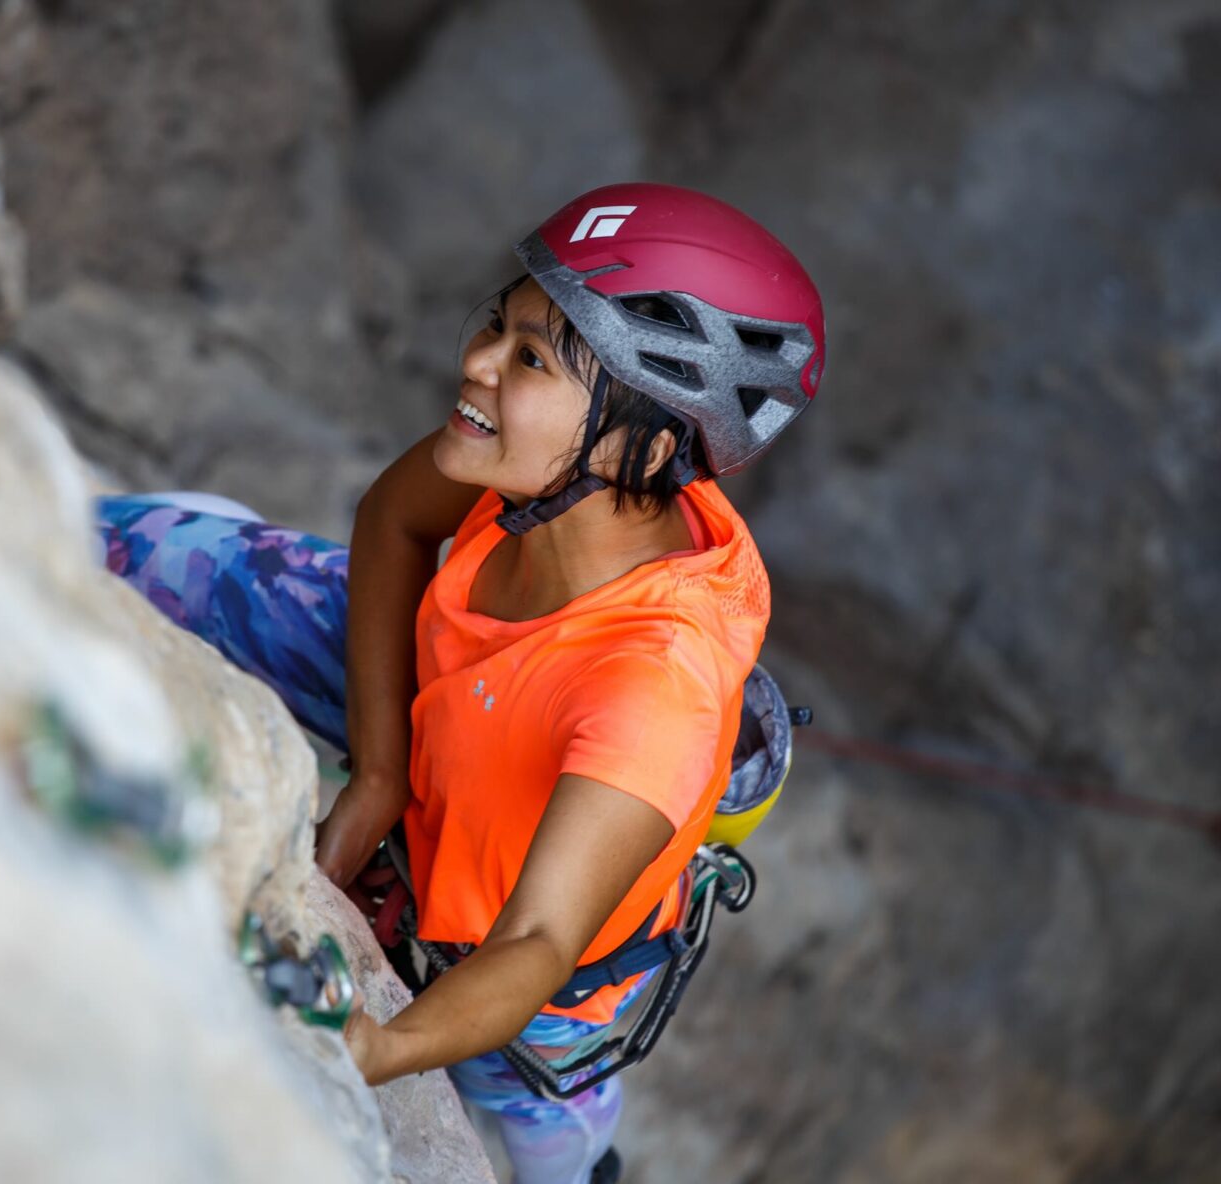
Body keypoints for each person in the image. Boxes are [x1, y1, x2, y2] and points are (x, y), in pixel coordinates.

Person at [94, 182, 825, 1184]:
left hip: (523, 942)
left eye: (529, 358)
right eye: (500, 322)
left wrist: (373, 1048)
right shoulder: (531, 472)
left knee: (539, 1114)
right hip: (444, 693)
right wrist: (382, 774)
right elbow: (395, 518)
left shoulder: (653, 691)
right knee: (148, 548)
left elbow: (536, 940)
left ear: (642, 447)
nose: (475, 362)